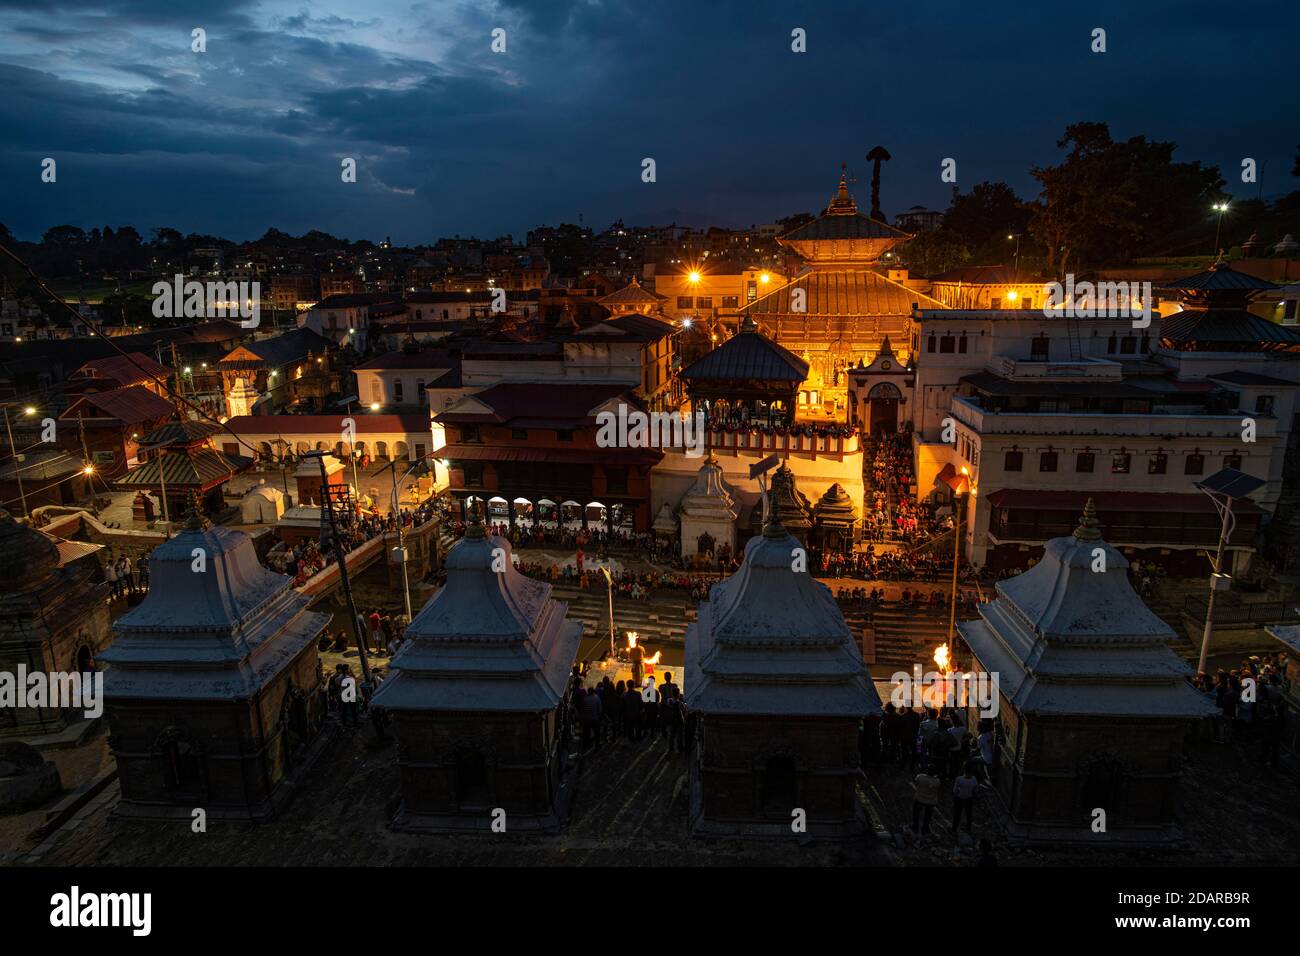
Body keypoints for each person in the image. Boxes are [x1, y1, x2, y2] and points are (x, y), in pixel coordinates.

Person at [911, 765, 940, 835]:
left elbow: (916, 784)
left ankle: (915, 827)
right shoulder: (937, 781)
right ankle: (925, 828)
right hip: (931, 801)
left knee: (916, 814)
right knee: (927, 816)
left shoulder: (920, 777)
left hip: (919, 799)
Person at [952, 762, 979, 835]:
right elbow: (976, 790)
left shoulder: (959, 779)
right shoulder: (974, 779)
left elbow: (955, 790)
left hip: (959, 798)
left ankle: (954, 829)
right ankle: (968, 828)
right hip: (969, 798)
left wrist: (956, 794)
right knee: (969, 814)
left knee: (957, 814)